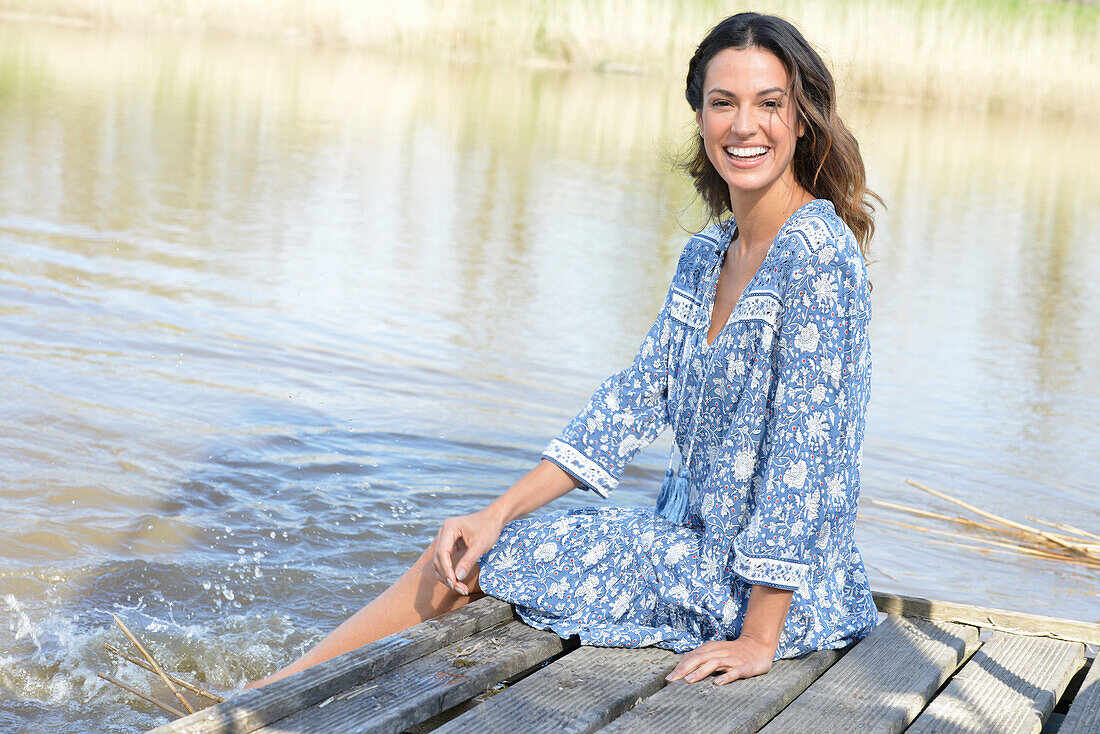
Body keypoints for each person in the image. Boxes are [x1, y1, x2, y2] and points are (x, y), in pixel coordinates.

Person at [249, 11, 882, 690]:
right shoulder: (706, 255)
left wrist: (760, 636)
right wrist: (493, 512)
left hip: (782, 597)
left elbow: (804, 457)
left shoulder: (819, 256)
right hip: (695, 555)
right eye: (723, 102)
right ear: (699, 116)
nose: (744, 125)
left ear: (802, 119)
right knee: (472, 547)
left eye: (769, 104)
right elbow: (630, 402)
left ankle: (273, 695)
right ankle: (291, 685)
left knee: (478, 567)